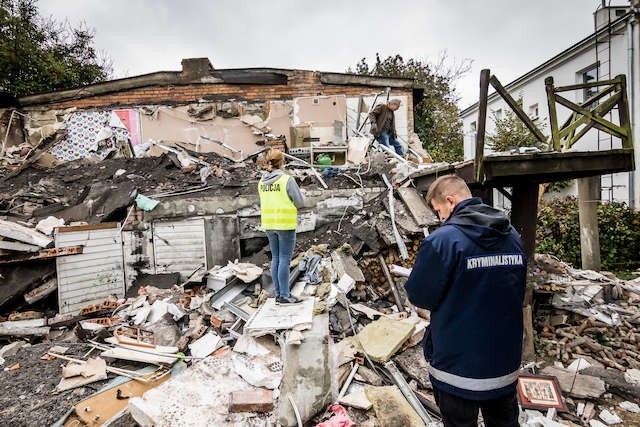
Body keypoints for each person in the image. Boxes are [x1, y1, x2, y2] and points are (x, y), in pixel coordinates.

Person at [404, 175, 526, 427]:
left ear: (451, 201)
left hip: (456, 368)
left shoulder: (442, 241)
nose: (441, 219)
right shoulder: (511, 235)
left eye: (439, 211)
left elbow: (419, 295)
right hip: (503, 363)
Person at [258, 149, 305, 304]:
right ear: (282, 162)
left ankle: (278, 293)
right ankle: (285, 295)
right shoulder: (286, 180)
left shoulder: (262, 182)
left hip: (269, 225)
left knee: (276, 258)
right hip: (284, 224)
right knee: (285, 259)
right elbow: (299, 203)